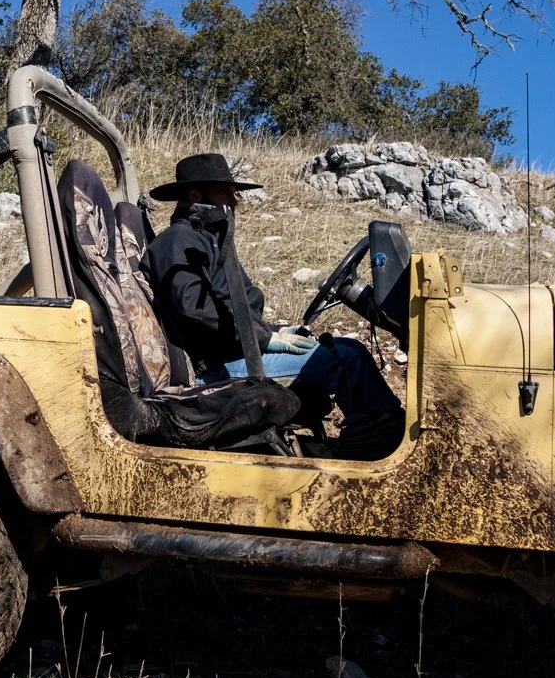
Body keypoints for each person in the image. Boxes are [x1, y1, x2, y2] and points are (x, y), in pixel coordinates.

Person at [142, 153, 405, 460]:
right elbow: (195, 310)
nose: (234, 200)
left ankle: (376, 435)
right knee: (345, 361)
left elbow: (236, 306)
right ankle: (379, 446)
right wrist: (266, 339)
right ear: (195, 196)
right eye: (225, 192)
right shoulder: (177, 242)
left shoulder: (208, 239)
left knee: (351, 348)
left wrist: (274, 330)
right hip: (215, 367)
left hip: (235, 351)